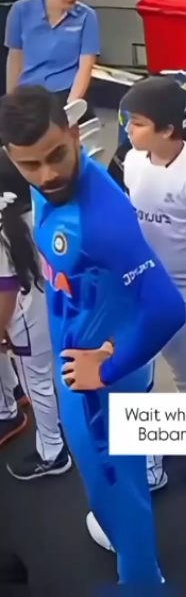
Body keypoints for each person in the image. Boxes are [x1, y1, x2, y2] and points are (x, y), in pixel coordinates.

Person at [0, 84, 186, 585]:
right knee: (108, 489)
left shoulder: (102, 221)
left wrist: (106, 368)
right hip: (80, 363)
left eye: (56, 156)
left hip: (102, 384)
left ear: (75, 135)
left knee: (120, 494)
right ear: (12, 158)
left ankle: (142, 581)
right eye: (30, 165)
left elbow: (168, 309)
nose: (47, 174)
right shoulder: (46, 185)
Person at [87, 75, 186, 551]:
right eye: (127, 121)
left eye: (138, 123)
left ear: (169, 128)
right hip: (146, 288)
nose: (127, 129)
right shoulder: (133, 161)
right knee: (153, 369)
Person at [0, 148, 71, 479]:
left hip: (25, 317)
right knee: (50, 376)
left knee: (38, 382)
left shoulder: (5, 229)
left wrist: (0, 330)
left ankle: (52, 451)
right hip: (52, 302)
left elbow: (7, 290)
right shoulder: (41, 206)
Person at [4, 0, 99, 113]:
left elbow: (86, 65)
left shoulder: (87, 16)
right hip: (30, 93)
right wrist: (12, 100)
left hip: (66, 92)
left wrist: (72, 107)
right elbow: (15, 59)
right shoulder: (21, 10)